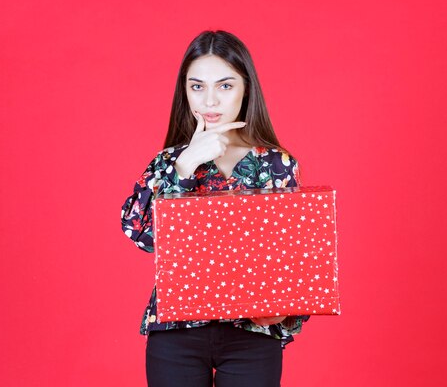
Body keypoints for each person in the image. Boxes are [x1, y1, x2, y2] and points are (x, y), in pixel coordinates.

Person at [121, 30, 309, 387]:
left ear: (246, 89)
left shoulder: (278, 164)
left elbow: (293, 256)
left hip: (252, 333)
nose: (210, 100)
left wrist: (283, 309)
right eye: (197, 86)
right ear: (185, 92)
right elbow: (142, 235)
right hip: (176, 331)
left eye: (225, 86)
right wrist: (187, 164)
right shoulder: (170, 161)